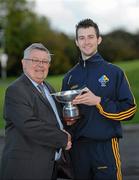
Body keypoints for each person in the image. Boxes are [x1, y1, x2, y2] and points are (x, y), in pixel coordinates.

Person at [61, 19, 137, 180]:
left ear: (99, 39)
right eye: (81, 38)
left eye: (90, 37)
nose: (86, 42)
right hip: (77, 149)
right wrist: (67, 122)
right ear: (76, 42)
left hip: (105, 147)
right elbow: (63, 115)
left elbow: (130, 110)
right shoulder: (69, 77)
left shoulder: (114, 72)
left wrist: (98, 102)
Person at [0, 43, 72, 180]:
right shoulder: (16, 90)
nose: (41, 65)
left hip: (49, 167)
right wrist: (63, 138)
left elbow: (52, 118)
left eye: (45, 61)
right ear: (23, 63)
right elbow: (29, 125)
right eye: (35, 60)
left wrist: (67, 120)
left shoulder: (48, 88)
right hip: (26, 169)